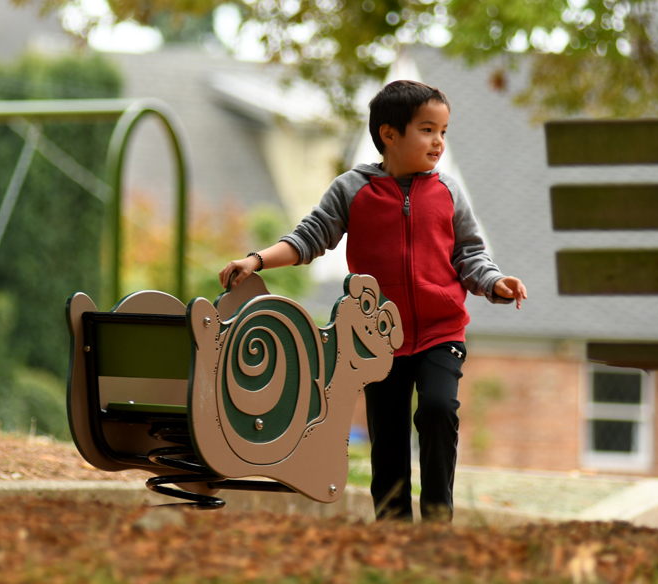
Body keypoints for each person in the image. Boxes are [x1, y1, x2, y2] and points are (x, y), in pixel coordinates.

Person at [219, 80, 528, 523]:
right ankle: (392, 527)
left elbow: (470, 255)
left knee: (439, 410)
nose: (438, 141)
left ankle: (438, 520)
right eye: (427, 129)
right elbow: (309, 238)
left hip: (441, 332)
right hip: (377, 338)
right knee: (388, 437)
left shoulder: (448, 192)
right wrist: (256, 260)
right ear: (389, 133)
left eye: (443, 131)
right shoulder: (352, 189)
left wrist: (495, 283)